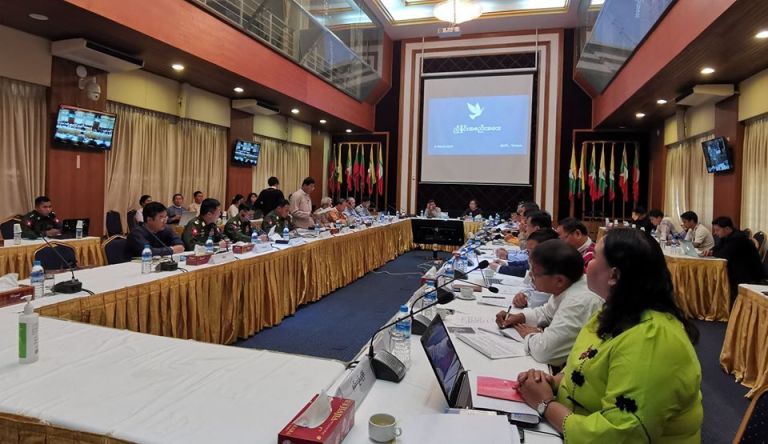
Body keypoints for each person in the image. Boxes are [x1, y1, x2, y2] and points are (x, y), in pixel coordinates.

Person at [515, 229, 702, 442]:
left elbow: (620, 434)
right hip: (575, 422)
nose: (587, 265)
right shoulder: (614, 312)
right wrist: (551, 382)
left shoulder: (652, 340)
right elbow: (582, 365)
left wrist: (545, 404)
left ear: (614, 275)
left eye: (594, 257)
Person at [495, 240, 603, 367]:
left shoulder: (579, 302)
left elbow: (546, 352)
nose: (530, 276)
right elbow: (547, 312)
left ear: (559, 280)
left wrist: (530, 335)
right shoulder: (568, 285)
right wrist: (520, 317)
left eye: (534, 273)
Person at [708, 216, 765, 300]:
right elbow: (718, 248)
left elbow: (724, 254)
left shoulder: (737, 238)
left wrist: (712, 252)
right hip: (738, 268)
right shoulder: (727, 236)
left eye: (717, 230)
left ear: (727, 228)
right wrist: (710, 250)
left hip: (748, 273)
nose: (715, 233)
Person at [491, 229, 559, 277]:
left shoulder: (550, 266)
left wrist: (500, 268)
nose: (525, 228)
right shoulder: (536, 245)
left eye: (527, 225)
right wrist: (506, 263)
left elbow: (524, 271)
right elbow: (526, 263)